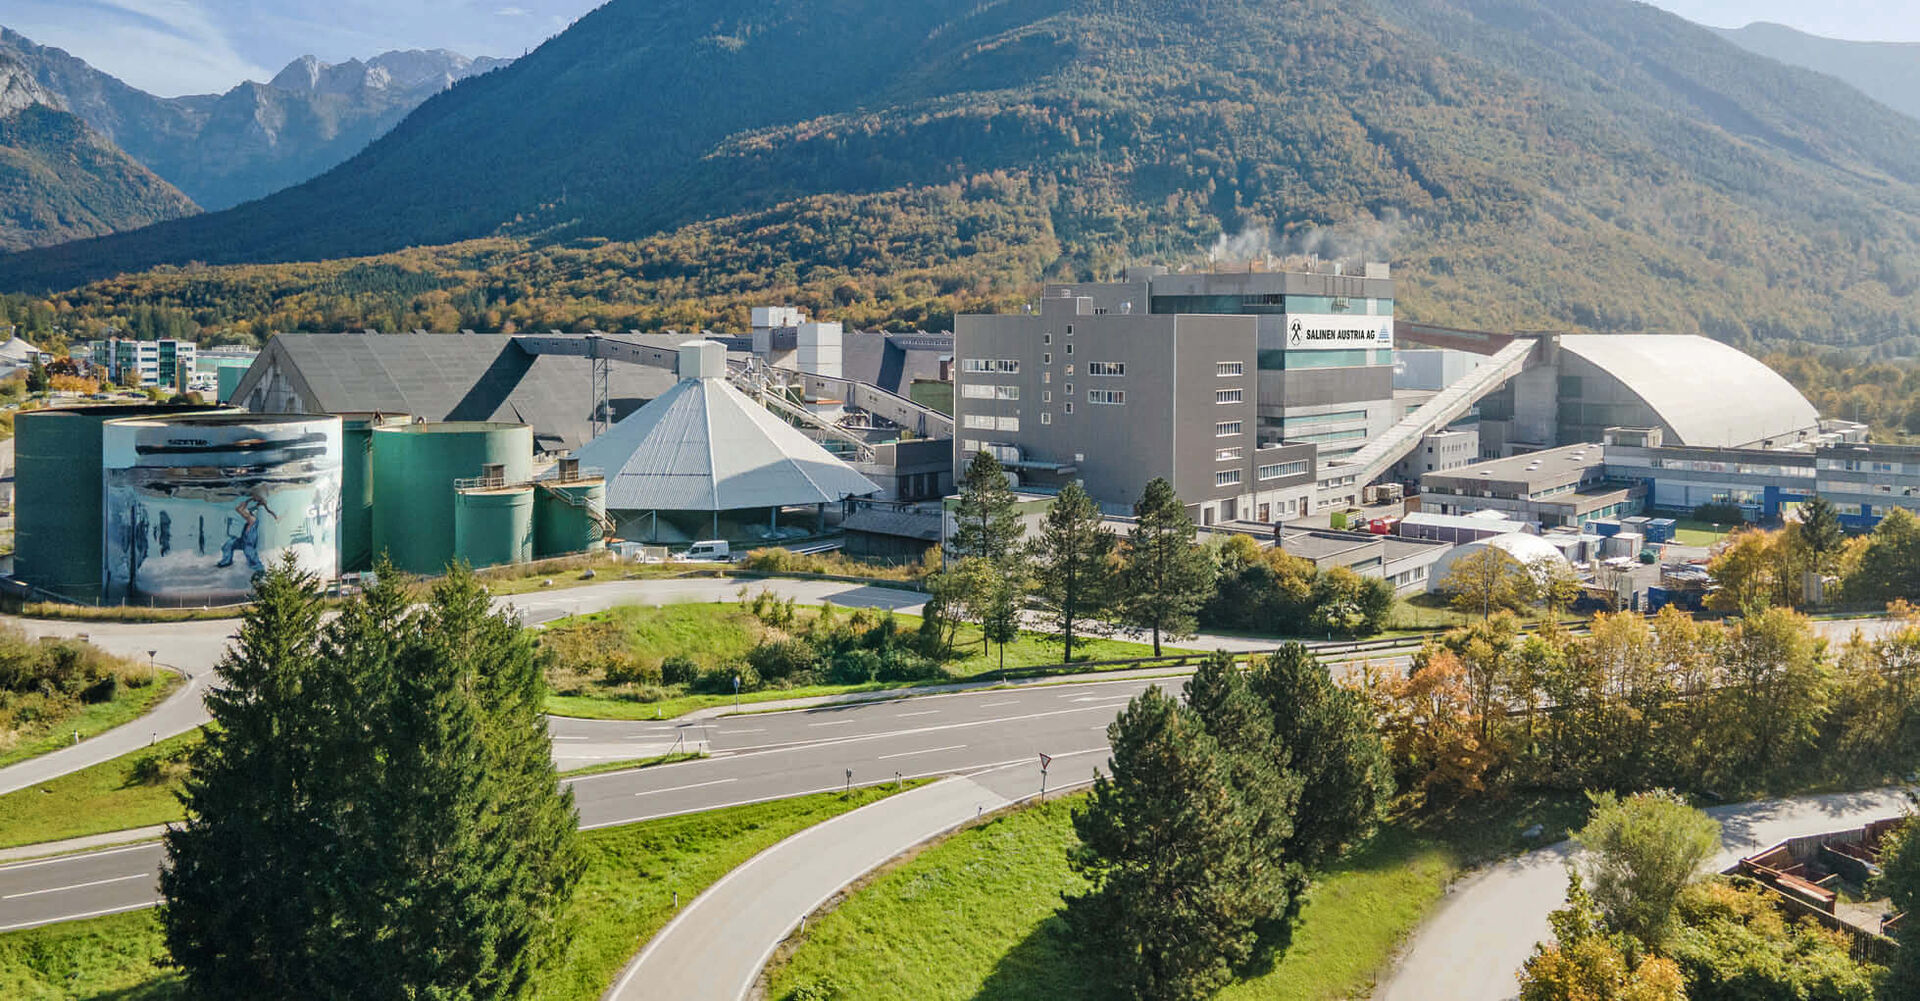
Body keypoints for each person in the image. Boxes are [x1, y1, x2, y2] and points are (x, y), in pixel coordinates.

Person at [217, 490, 278, 571]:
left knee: (250, 553)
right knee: (229, 544)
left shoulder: (251, 519)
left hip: (248, 542)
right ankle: (226, 561)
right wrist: (250, 500)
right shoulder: (250, 518)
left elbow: (238, 509)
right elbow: (239, 509)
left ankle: (258, 569)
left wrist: (248, 500)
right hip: (243, 540)